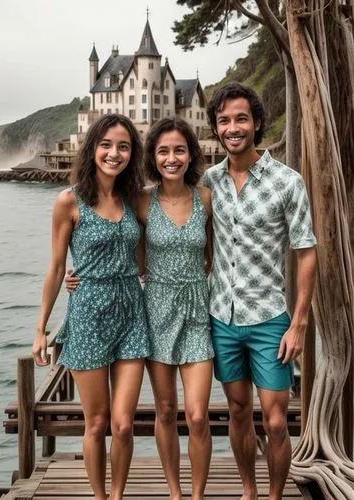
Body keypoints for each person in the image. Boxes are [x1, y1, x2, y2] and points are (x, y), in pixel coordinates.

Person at [66, 117, 214, 500]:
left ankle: (196, 496)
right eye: (163, 151)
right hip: (154, 311)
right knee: (165, 410)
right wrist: (78, 275)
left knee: (197, 415)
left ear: (191, 154)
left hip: (196, 311)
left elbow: (213, 255)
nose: (171, 158)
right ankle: (175, 493)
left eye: (179, 149)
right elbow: (119, 244)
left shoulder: (206, 198)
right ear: (152, 156)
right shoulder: (141, 200)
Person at [204, 82, 317, 500]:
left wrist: (299, 323)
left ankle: (273, 496)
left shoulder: (288, 182)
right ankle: (249, 491)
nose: (232, 128)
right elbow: (171, 230)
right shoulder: (208, 181)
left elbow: (306, 252)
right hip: (222, 318)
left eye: (240, 119)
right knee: (237, 411)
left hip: (270, 318)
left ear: (255, 123)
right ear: (217, 128)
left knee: (274, 421)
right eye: (224, 121)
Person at [32, 114, 150, 500]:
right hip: (87, 318)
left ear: (132, 154)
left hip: (132, 313)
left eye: (123, 146)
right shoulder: (69, 201)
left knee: (124, 424)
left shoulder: (134, 198)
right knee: (97, 423)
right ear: (92, 148)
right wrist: (41, 329)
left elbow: (148, 254)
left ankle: (117, 495)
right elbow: (53, 268)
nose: (114, 153)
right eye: (106, 145)